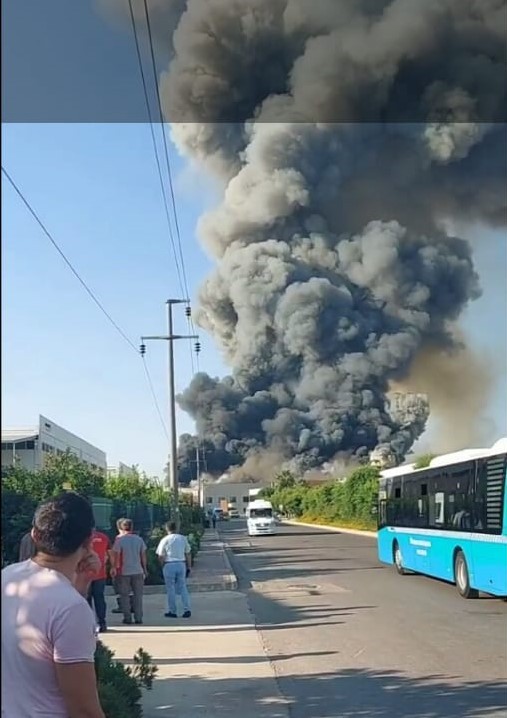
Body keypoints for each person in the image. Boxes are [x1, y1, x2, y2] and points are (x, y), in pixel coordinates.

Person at [1, 491, 105, 718]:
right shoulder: (71, 608)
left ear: (34, 535)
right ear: (90, 540)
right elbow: (84, 710)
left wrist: (81, 582)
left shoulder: (7, 578)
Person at [112, 519, 147, 625]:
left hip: (124, 571)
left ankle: (127, 617)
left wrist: (114, 568)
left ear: (121, 528)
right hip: (138, 570)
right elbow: (143, 556)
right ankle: (138, 617)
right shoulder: (139, 539)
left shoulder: (119, 540)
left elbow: (116, 556)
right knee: (138, 595)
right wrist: (145, 568)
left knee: (124, 595)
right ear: (132, 527)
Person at [156, 521, 192, 619]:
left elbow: (160, 555)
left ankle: (173, 611)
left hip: (169, 564)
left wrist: (161, 566)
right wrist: (189, 566)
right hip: (181, 564)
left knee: (170, 588)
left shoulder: (165, 540)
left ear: (167, 529)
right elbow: (188, 553)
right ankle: (187, 609)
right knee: (183, 587)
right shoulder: (182, 538)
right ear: (176, 528)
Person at [87, 528, 111, 633]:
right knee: (99, 599)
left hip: (85, 574)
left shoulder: (83, 537)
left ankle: (88, 624)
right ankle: (102, 623)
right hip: (100, 573)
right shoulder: (103, 537)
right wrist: (113, 566)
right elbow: (110, 553)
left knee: (86, 600)